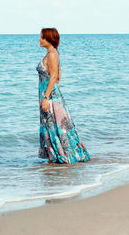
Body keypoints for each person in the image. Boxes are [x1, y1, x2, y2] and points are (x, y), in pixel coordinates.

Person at [36, 28, 91, 164]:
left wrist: (47, 97)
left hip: (50, 97)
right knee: (53, 125)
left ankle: (62, 156)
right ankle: (56, 156)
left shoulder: (52, 54)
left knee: (55, 125)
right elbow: (58, 76)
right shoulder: (51, 53)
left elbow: (54, 76)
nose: (39, 39)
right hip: (50, 94)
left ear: (49, 39)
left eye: (42, 37)